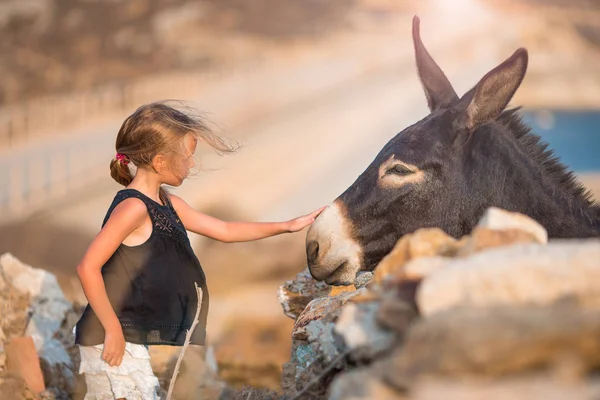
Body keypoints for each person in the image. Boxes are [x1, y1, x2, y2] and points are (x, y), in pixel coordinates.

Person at [73, 101, 326, 399]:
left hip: (130, 337)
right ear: (159, 161)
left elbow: (225, 230)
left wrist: (287, 225)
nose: (192, 164)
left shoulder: (168, 203)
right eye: (188, 156)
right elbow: (87, 267)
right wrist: (112, 328)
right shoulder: (133, 208)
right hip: (109, 336)